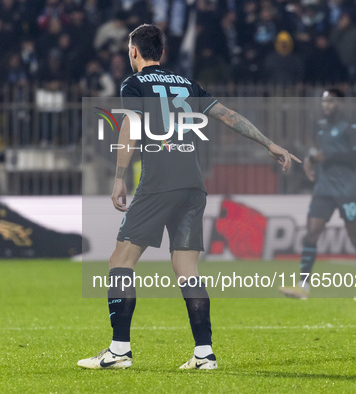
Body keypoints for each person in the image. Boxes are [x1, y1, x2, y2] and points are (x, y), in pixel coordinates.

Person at [77, 24, 300, 371]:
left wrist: (119, 177)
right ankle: (204, 353)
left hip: (158, 183)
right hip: (193, 185)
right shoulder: (185, 84)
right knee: (186, 270)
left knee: (120, 261)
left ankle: (119, 350)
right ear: (162, 52)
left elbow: (130, 127)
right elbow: (227, 115)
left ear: (134, 51)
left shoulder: (133, 84)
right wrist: (268, 143)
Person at [280, 89, 356, 301]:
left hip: (345, 190)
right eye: (324, 102)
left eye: (330, 102)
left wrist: (330, 156)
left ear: (340, 103)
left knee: (355, 236)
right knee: (311, 233)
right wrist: (311, 160)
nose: (326, 106)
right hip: (323, 188)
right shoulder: (321, 127)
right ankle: (302, 286)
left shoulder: (349, 128)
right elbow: (321, 152)